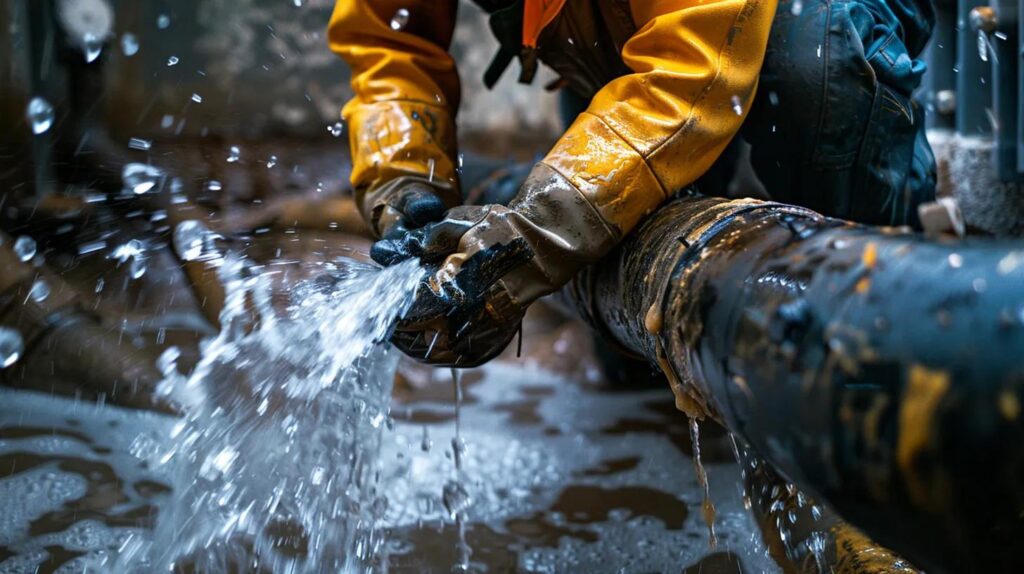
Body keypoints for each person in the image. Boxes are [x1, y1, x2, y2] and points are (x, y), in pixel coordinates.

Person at [328, 0, 935, 367]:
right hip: (618, 41)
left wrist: (529, 241)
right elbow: (389, 43)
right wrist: (404, 184)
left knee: (817, 61)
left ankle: (864, 348)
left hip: (807, 27)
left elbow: (691, 68)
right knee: (630, 349)